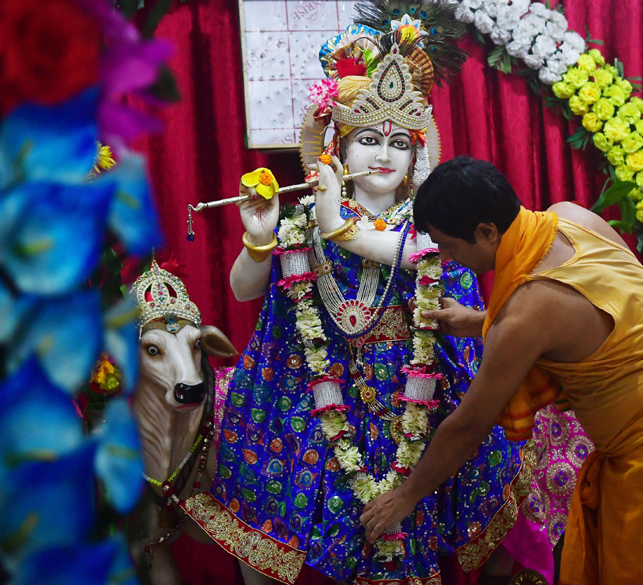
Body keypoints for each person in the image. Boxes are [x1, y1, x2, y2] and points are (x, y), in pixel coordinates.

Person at [180, 8, 587, 585]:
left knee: (426, 516)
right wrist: (260, 234)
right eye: (368, 139)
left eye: (400, 142)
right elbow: (245, 291)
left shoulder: (430, 225)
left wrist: (336, 225)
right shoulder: (304, 220)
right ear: (338, 148)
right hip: (313, 398)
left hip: (411, 395)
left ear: (417, 154)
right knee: (293, 532)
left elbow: (416, 259)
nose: (384, 155)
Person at [360, 156, 643, 583]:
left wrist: (406, 496)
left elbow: (468, 425)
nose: (447, 258)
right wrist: (481, 322)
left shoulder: (523, 313)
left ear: (486, 231)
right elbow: (601, 310)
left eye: (449, 246)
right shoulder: (572, 217)